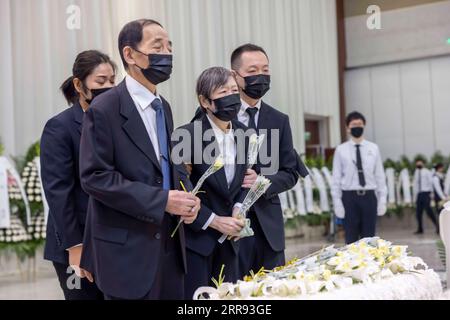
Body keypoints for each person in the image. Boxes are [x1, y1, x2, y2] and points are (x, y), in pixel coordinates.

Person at [78, 19, 200, 300]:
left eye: (169, 46)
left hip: (171, 246)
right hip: (128, 251)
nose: (167, 54)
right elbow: (95, 177)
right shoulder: (105, 108)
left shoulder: (163, 107)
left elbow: (166, 166)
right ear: (130, 54)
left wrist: (187, 198)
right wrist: (162, 201)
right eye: (157, 46)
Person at [40, 50, 116, 300]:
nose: (108, 87)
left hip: (110, 241)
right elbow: (58, 192)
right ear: (78, 84)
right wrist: (75, 247)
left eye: (112, 81)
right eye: (100, 81)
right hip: (73, 245)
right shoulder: (59, 128)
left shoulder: (114, 124)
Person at [173, 67, 253, 299]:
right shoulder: (186, 135)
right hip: (198, 240)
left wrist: (239, 209)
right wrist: (215, 221)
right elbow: (181, 187)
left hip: (231, 240)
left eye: (234, 90)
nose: (232, 97)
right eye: (223, 92)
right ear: (205, 101)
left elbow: (245, 180)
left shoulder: (244, 134)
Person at [230, 44, 298, 277]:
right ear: (235, 76)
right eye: (253, 70)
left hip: (269, 230)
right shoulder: (215, 116)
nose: (261, 76)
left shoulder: (279, 120)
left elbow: (291, 172)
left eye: (265, 70)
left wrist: (262, 180)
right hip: (230, 227)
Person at [331, 111, 387, 244]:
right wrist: (337, 202)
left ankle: (369, 264)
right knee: (350, 238)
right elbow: (336, 178)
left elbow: (379, 175)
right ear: (347, 128)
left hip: (369, 197)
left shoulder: (373, 148)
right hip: (349, 198)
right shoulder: (341, 150)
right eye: (353, 124)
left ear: (364, 126)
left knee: (369, 238)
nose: (357, 127)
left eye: (360, 124)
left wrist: (382, 198)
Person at [413, 159, 439, 234]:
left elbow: (430, 182)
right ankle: (420, 229)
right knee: (418, 212)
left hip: (426, 193)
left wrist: (431, 193)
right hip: (419, 194)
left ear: (423, 163)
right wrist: (415, 196)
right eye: (417, 163)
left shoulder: (427, 171)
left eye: (419, 163)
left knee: (429, 211)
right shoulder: (416, 172)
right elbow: (415, 184)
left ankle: (438, 227)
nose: (418, 164)